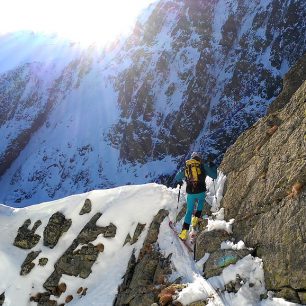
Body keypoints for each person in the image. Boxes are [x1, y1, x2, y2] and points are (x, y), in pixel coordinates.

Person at [175, 152, 217, 240]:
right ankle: (195, 219)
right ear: (199, 158)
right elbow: (214, 175)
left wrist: (182, 172)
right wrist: (213, 166)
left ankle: (184, 232)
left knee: (189, 210)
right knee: (200, 202)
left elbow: (177, 177)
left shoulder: (187, 167)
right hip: (201, 191)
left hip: (190, 192)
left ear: (191, 158)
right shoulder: (202, 166)